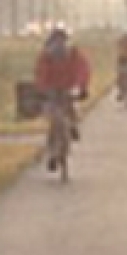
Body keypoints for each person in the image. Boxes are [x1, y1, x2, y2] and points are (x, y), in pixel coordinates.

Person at [30, 26, 91, 170]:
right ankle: (70, 130)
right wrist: (82, 87)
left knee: (57, 117)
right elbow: (83, 70)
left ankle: (55, 148)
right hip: (61, 90)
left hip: (57, 90)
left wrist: (42, 89)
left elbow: (41, 74)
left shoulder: (48, 55)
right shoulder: (71, 54)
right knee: (63, 115)